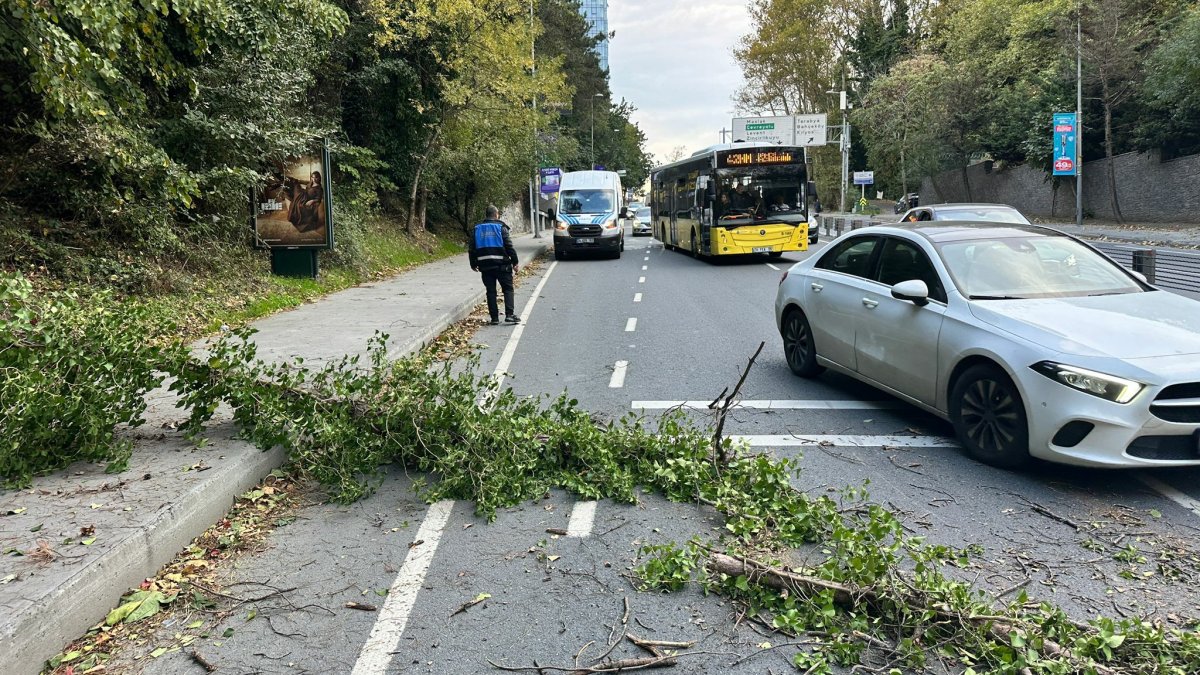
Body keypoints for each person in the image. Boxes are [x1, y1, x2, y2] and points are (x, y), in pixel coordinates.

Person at [469, 205, 521, 325]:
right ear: (496, 214)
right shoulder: (501, 227)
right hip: (502, 265)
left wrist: (473, 263)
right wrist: (515, 262)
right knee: (508, 289)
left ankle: (494, 318)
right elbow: (509, 246)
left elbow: (472, 248)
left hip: (485, 266)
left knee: (491, 291)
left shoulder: (477, 229)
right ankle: (509, 315)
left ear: (486, 215)